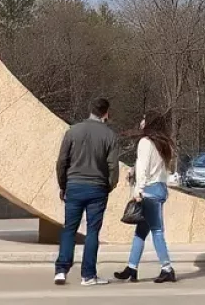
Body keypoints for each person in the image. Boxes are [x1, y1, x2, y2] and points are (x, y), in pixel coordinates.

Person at [53, 96, 121, 286]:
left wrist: (63, 185)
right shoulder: (109, 136)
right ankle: (88, 275)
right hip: (97, 187)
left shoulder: (73, 131)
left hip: (74, 185)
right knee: (92, 231)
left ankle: (61, 270)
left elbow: (61, 161)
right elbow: (113, 166)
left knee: (69, 229)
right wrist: (110, 184)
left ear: (90, 110)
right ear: (106, 113)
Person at [114, 111, 177, 284]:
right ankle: (131, 268)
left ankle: (167, 268)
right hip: (160, 188)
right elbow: (158, 168)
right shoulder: (163, 144)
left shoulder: (145, 142)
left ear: (149, 123)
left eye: (144, 119)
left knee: (156, 230)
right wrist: (134, 171)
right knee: (141, 231)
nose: (141, 122)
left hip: (149, 191)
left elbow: (144, 167)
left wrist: (138, 190)